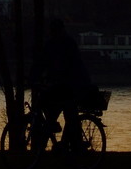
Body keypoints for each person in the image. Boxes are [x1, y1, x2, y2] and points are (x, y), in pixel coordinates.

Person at [31, 18, 94, 149]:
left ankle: (71, 144)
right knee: (63, 113)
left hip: (72, 85)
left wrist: (36, 77)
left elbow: (68, 66)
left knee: (64, 112)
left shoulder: (60, 44)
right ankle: (69, 144)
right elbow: (42, 63)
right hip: (67, 85)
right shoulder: (65, 43)